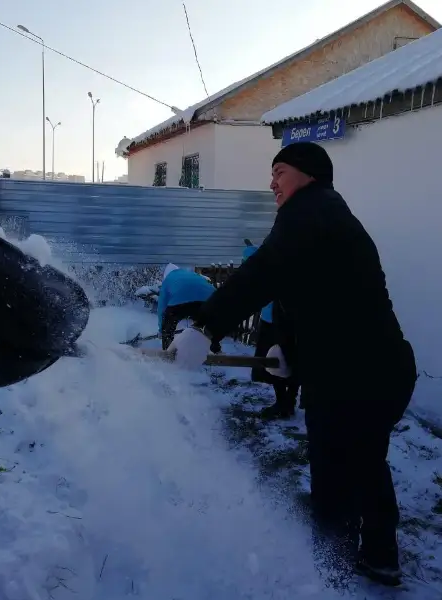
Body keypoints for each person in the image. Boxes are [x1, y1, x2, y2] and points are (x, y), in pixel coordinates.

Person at [167, 142, 417, 587]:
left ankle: (328, 563)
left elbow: (264, 271)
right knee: (362, 461)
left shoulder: (312, 211)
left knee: (341, 464)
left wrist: (205, 327)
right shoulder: (324, 218)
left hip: (359, 372)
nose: (271, 183)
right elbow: (297, 292)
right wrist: (289, 351)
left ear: (306, 174)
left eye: (278, 172)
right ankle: (371, 555)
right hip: (368, 368)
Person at [242, 243, 301, 419]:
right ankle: (288, 401)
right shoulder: (288, 256)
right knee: (290, 361)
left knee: (274, 361)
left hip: (273, 321)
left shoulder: (265, 262)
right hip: (294, 322)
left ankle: (283, 403)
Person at [157, 263, 218, 351]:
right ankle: (215, 351)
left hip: (180, 303)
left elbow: (161, 308)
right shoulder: (192, 275)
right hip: (208, 301)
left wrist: (161, 330)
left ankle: (167, 353)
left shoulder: (168, 280)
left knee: (168, 327)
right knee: (208, 325)